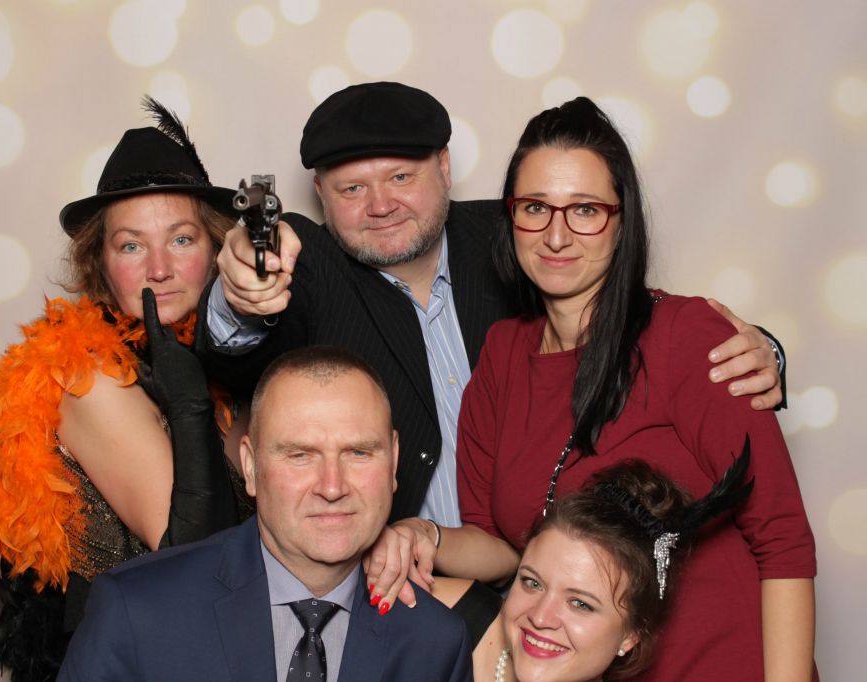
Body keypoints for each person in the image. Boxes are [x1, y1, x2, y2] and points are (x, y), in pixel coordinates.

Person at [198, 82, 785, 586]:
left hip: (574, 577)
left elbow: (625, 313)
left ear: (445, 168)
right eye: (352, 189)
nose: (380, 205)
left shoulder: (524, 233)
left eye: (401, 176)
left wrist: (755, 352)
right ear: (320, 195)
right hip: (409, 589)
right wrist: (239, 297)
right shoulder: (310, 265)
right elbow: (230, 350)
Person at [372, 97, 817, 680]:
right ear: (511, 218)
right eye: (536, 208)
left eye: (585, 210)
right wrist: (419, 534)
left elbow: (783, 543)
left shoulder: (688, 337)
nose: (556, 236)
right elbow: (503, 545)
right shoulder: (503, 353)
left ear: (622, 221)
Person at [0, 97, 245, 681]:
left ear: (217, 249)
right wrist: (190, 403)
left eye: (182, 239)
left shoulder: (230, 359)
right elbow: (198, 563)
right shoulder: (86, 375)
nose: (159, 268)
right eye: (131, 245)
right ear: (101, 263)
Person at [57, 346, 472, 681]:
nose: (332, 487)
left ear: (394, 461)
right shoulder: (138, 610)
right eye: (300, 455)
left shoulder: (434, 643)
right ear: (252, 467)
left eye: (359, 453)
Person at [433, 447, 754, 682]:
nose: (540, 617)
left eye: (580, 604)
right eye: (532, 583)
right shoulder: (443, 614)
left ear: (630, 636)